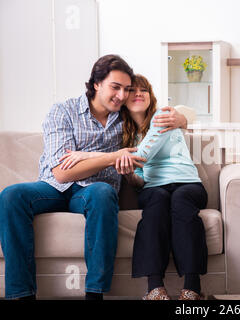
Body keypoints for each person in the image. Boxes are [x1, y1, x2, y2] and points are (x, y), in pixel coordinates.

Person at [0, 55, 187, 300]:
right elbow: (61, 172)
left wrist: (182, 119)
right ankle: (21, 294)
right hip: (53, 188)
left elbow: (157, 116)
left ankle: (95, 293)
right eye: (115, 87)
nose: (121, 95)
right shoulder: (63, 111)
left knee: (102, 192)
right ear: (97, 83)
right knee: (11, 195)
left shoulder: (125, 116)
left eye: (126, 89)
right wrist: (112, 157)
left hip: (94, 191)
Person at [62, 74, 208, 300]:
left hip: (186, 183)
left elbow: (143, 155)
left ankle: (192, 288)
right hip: (154, 187)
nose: (139, 94)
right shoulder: (124, 135)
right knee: (156, 203)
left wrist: (87, 154)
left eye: (144, 90)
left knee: (181, 201)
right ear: (123, 98)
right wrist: (129, 175)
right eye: (133, 91)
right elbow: (139, 176)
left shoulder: (162, 117)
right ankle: (154, 288)